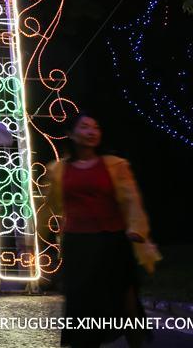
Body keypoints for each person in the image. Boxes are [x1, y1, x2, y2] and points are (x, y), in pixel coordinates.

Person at [47, 114, 159, 348]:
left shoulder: (116, 165)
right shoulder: (57, 170)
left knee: (126, 303)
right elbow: (49, 205)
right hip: (78, 245)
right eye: (85, 127)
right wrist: (39, 234)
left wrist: (137, 229)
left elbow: (132, 201)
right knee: (82, 305)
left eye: (96, 127)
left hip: (112, 241)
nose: (92, 131)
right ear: (71, 133)